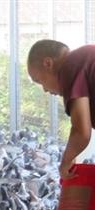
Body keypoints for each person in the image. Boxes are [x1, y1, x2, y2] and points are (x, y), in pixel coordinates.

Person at [28, 40, 95, 180]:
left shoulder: (71, 66)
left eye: (39, 81)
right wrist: (72, 152)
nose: (45, 90)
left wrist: (65, 162)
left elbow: (81, 131)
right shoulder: (85, 59)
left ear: (48, 64)